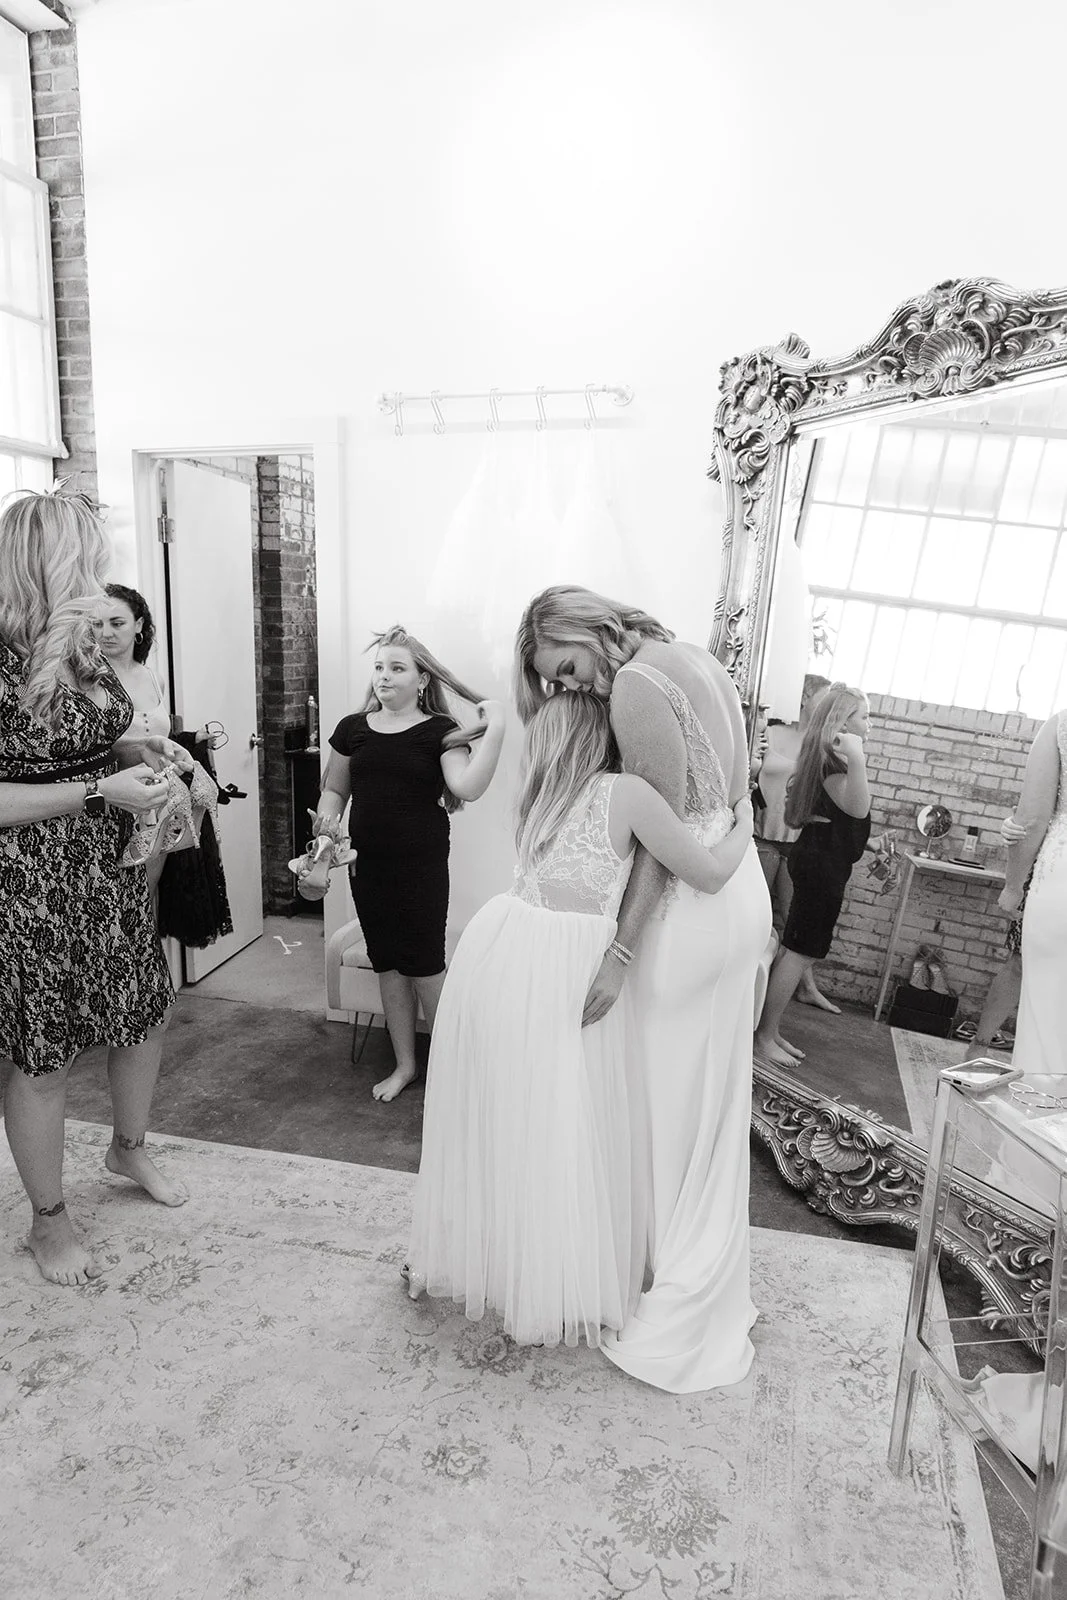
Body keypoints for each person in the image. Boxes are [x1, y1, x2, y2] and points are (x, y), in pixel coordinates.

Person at [405, 692, 754, 1346]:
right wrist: (743, 820)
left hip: (500, 951)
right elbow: (707, 872)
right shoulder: (625, 793)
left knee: (513, 1122)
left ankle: (504, 1261)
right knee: (567, 1126)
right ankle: (557, 1278)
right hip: (563, 967)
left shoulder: (541, 787)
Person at [514, 584, 770, 1393]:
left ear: (579, 630)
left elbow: (657, 846)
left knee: (661, 1101)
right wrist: (739, 828)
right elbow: (731, 793)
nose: (572, 688)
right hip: (741, 889)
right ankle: (710, 1274)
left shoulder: (632, 683)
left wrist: (620, 952)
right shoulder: (698, 658)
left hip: (688, 908)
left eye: (564, 667)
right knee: (717, 1098)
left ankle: (676, 1288)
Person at [0, 490, 186, 1289]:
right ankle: (48, 1219)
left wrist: (159, 753)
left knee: (139, 1011)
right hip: (28, 883)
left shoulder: (78, 648)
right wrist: (94, 794)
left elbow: (95, 738)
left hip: (107, 869)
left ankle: (128, 1146)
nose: (103, 573)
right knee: (43, 1054)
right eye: (91, 556)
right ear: (51, 560)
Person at [316, 625, 506, 1102]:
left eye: (397, 668)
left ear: (421, 680)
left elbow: (466, 788)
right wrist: (323, 842)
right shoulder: (352, 729)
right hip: (366, 864)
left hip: (420, 866)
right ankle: (406, 1065)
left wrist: (497, 731)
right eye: (379, 667)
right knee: (388, 965)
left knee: (424, 964)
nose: (384, 676)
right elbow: (335, 792)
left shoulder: (440, 732)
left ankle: (451, 1069)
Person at [753, 684, 874, 1070]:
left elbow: (842, 818)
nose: (870, 724)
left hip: (821, 859)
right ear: (842, 721)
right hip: (821, 866)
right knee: (801, 952)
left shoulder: (825, 760)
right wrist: (857, 759)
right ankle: (764, 1035)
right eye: (864, 716)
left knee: (794, 949)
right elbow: (857, 808)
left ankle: (767, 1029)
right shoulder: (834, 764)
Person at [98, 583, 195, 895]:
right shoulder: (90, 680)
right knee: (118, 891)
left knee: (151, 890)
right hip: (114, 798)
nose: (107, 633)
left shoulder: (154, 677)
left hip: (159, 800)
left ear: (138, 625)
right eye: (97, 624)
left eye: (117, 623)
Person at [753, 673, 839, 1012]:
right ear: (805, 697)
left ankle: (804, 987)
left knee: (793, 920)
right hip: (762, 836)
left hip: (799, 844)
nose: (828, 705)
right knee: (760, 915)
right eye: (824, 697)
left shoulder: (823, 744)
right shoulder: (769, 732)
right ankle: (749, 985)